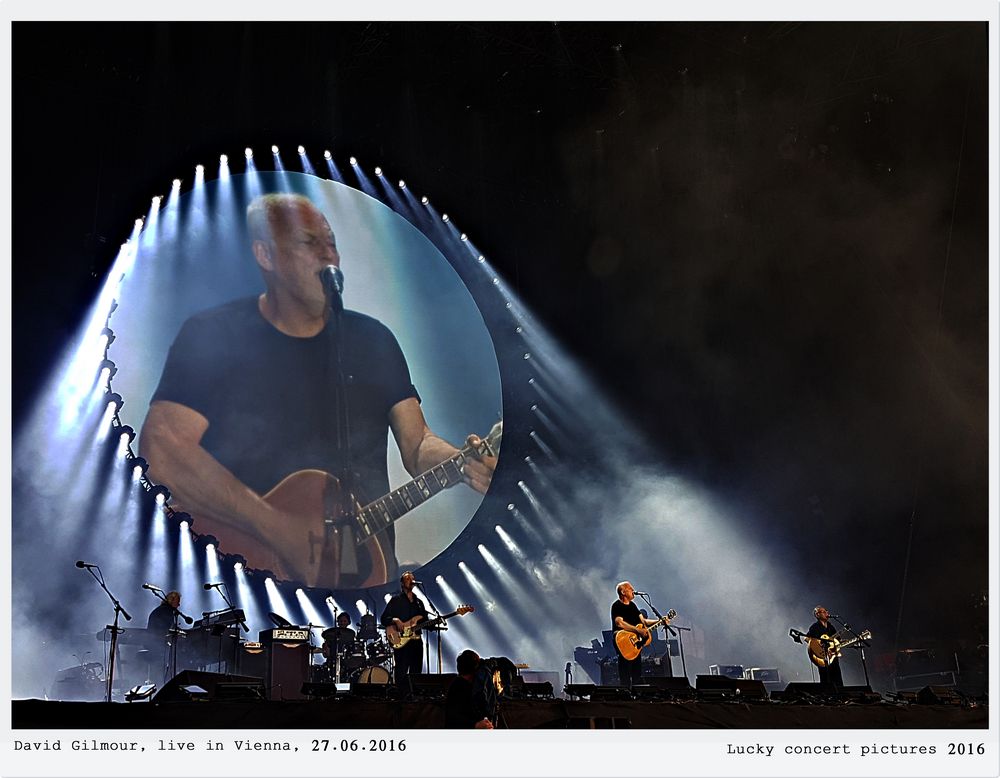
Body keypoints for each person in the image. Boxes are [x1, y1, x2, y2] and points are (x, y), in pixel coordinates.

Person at [139, 193, 497, 588]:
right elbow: (162, 450)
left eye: (332, 243)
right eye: (310, 243)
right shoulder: (215, 334)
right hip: (240, 582)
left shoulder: (373, 341)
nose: (328, 255)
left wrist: (461, 460)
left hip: (361, 579)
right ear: (266, 255)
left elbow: (417, 445)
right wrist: (278, 528)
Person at [611, 581, 667, 688]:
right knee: (625, 671)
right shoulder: (617, 606)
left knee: (637, 671)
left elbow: (644, 622)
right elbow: (619, 622)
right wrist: (637, 631)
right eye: (630, 589)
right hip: (623, 641)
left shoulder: (633, 606)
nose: (633, 591)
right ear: (623, 592)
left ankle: (637, 695)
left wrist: (660, 621)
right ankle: (626, 694)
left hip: (635, 644)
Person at [380, 571, 428, 688]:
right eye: (408, 579)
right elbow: (384, 619)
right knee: (401, 670)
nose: (411, 581)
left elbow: (425, 620)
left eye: (412, 579)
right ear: (402, 583)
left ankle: (414, 696)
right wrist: (395, 620)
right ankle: (400, 695)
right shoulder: (396, 600)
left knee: (416, 670)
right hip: (401, 641)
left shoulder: (419, 602)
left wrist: (435, 622)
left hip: (416, 640)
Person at [445, 650, 495, 729]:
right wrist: (475, 725)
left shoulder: (456, 685)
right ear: (475, 669)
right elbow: (453, 719)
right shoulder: (462, 688)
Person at [807, 606, 845, 687]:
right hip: (822, 657)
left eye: (826, 611)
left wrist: (843, 642)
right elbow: (807, 638)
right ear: (817, 615)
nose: (827, 613)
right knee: (826, 680)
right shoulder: (814, 627)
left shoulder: (831, 627)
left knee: (837, 679)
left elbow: (838, 640)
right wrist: (818, 644)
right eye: (823, 612)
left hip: (832, 656)